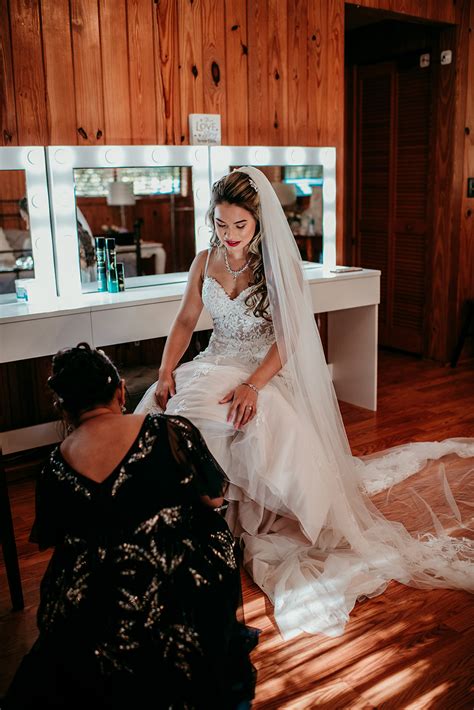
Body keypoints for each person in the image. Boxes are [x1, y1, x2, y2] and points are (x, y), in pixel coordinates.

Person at [135, 167, 474, 640]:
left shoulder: (276, 265)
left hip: (265, 369)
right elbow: (185, 321)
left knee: (222, 421)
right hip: (214, 360)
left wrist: (254, 385)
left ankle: (224, 514)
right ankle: (191, 518)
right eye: (220, 224)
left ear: (258, 223)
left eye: (239, 226)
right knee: (164, 411)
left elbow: (294, 334)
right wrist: (167, 369)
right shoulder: (203, 260)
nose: (229, 236)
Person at [3, 343, 258, 710]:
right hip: (174, 581)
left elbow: (54, 537)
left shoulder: (54, 467)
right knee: (212, 529)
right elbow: (214, 499)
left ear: (64, 408)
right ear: (120, 390)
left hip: (95, 604)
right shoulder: (169, 430)